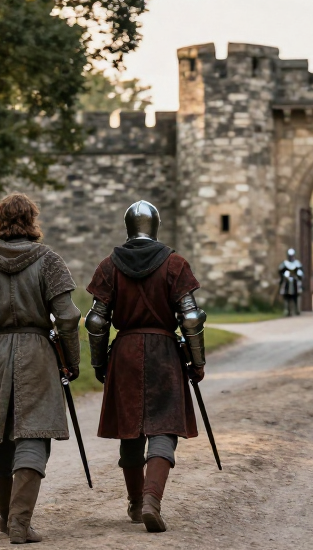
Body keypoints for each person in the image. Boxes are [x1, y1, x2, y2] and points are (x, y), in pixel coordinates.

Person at [0, 193, 82, 544]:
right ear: (31, 220)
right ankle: (19, 523)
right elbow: (68, 317)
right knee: (33, 434)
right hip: (38, 352)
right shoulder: (49, 260)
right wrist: (72, 361)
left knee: (1, 435)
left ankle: (7, 519)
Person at [85, 200, 205, 534]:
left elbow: (96, 320)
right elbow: (191, 317)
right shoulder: (174, 263)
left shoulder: (110, 265)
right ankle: (152, 500)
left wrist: (99, 362)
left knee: (131, 428)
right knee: (163, 426)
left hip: (125, 351)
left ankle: (137, 502)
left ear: (128, 226)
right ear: (155, 226)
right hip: (164, 352)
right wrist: (197, 361)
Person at [277, 248, 304, 316]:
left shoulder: (297, 263)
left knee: (296, 296)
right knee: (286, 297)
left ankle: (297, 309)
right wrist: (284, 276)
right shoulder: (285, 263)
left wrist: (298, 275)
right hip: (287, 282)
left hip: (295, 282)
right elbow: (280, 271)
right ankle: (287, 310)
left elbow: (300, 272)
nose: (291, 257)